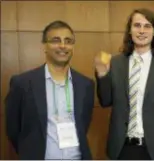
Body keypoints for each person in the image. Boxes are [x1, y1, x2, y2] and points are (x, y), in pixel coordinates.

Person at [94, 8, 154, 160]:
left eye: (147, 26)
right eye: (137, 25)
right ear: (130, 30)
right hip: (122, 148)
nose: (141, 31)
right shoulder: (115, 63)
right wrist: (102, 75)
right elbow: (105, 101)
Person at [5, 20, 95, 160]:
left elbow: (84, 124)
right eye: (55, 40)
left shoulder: (86, 85)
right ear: (45, 46)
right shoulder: (22, 83)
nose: (63, 46)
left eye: (68, 41)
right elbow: (13, 129)